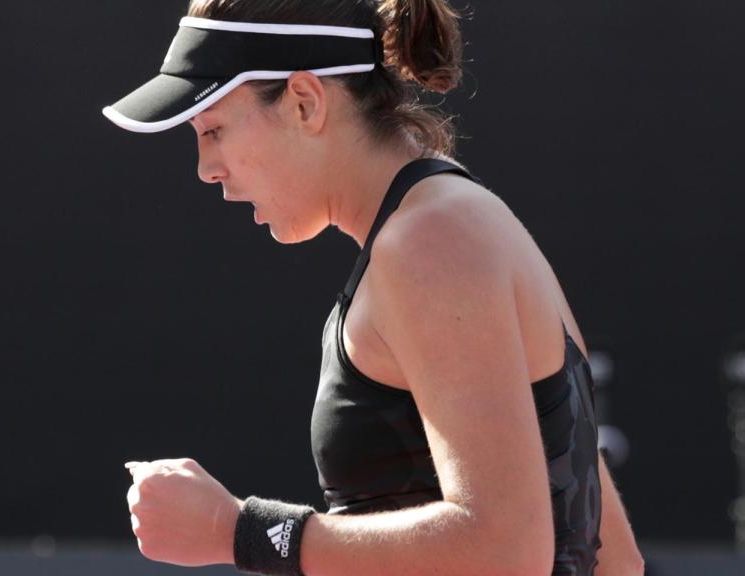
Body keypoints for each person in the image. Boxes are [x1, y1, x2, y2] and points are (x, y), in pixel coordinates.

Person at [104, 1, 644, 574]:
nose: (205, 169)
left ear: (305, 102)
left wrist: (236, 530)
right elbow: (618, 558)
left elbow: (506, 551)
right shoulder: (453, 221)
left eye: (213, 129)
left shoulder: (429, 239)